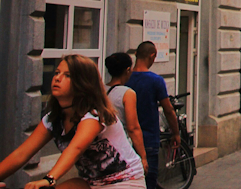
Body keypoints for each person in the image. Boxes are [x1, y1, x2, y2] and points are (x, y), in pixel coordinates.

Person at [0, 55, 146, 189]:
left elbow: (76, 149)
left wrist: (50, 179)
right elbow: (22, 154)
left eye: (67, 75)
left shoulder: (94, 115)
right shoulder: (54, 119)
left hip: (125, 181)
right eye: (57, 73)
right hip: (90, 183)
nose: (57, 78)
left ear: (83, 83)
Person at [127, 41, 181, 189]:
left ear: (136, 54)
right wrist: (176, 133)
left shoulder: (126, 79)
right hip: (148, 139)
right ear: (152, 56)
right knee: (148, 182)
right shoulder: (155, 80)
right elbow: (168, 109)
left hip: (126, 140)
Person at [104, 53, 149, 172]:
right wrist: (143, 157)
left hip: (102, 149)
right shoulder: (127, 93)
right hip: (120, 150)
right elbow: (133, 128)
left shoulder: (101, 90)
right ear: (128, 70)